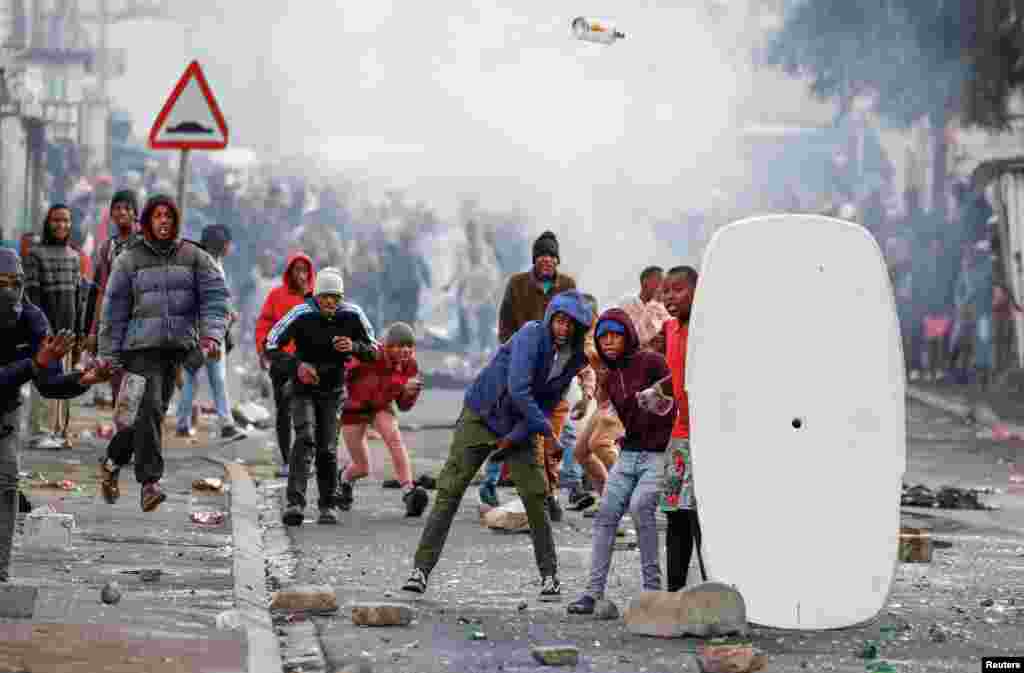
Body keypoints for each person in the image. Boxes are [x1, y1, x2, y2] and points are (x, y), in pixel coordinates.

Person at [402, 290, 594, 601]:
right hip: (482, 413)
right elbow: (518, 389)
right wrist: (550, 434)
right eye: (559, 320)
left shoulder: (575, 359)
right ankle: (420, 571)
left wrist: (516, 437)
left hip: (521, 425)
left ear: (579, 328)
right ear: (550, 319)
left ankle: (550, 576)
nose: (563, 328)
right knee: (450, 491)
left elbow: (545, 403)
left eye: (571, 324)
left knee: (535, 496)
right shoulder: (531, 336)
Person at [96, 195, 230, 512]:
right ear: (148, 221)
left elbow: (216, 299)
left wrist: (211, 336)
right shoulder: (129, 259)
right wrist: (108, 355)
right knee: (151, 409)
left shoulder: (194, 256)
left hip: (175, 350)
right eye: (157, 215)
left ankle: (112, 462)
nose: (164, 221)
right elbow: (113, 309)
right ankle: (150, 483)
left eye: (168, 215)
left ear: (176, 220)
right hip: (139, 349)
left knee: (145, 417)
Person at [0, 248, 112, 583]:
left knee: (6, 486)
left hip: (5, 414)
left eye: (13, 283)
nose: (6, 291)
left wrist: (83, 380)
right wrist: (34, 364)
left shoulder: (33, 320)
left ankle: (1, 572)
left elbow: (48, 385)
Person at [567, 307, 676, 614]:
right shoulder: (611, 377)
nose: (609, 342)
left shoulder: (652, 362)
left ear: (627, 335)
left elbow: (673, 397)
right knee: (605, 515)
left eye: (615, 335)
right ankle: (592, 594)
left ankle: (653, 593)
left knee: (642, 507)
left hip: (656, 455)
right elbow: (618, 412)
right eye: (603, 338)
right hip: (628, 455)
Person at [481, 231, 588, 521]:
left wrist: (577, 372)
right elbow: (505, 322)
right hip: (520, 363)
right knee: (505, 421)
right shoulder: (517, 285)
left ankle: (551, 493)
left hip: (555, 371)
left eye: (551, 257)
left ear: (557, 260)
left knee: (552, 429)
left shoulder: (567, 286)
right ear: (534, 260)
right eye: (542, 256)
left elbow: (577, 324)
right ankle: (489, 483)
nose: (547, 262)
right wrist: (510, 353)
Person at [265, 267, 377, 527]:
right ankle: (295, 503)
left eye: (335, 298)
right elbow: (271, 344)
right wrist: (297, 367)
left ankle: (328, 504)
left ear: (341, 298)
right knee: (305, 438)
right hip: (302, 388)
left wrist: (355, 347)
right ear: (316, 296)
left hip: (333, 390)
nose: (330, 302)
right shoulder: (301, 313)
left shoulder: (352, 315)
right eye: (325, 296)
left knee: (327, 447)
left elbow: (374, 349)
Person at [336, 321, 428, 517]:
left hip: (380, 406)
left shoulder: (410, 364)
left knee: (394, 438)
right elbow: (346, 371)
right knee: (362, 468)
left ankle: (409, 492)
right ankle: (344, 478)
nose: (406, 350)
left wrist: (410, 393)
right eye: (400, 345)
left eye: (409, 346)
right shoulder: (372, 353)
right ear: (388, 345)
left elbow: (403, 405)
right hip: (354, 409)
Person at [656, 266, 706, 592]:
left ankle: (715, 589)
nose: (670, 297)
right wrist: (655, 393)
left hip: (708, 437)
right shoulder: (670, 329)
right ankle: (674, 592)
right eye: (666, 291)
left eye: (678, 290)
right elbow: (676, 378)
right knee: (676, 515)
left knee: (702, 519)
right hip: (679, 435)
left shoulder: (708, 328)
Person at [23, 204, 87, 450]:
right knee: (43, 383)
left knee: (64, 383)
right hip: (45, 334)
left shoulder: (73, 256)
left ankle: (59, 431)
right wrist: (41, 330)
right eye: (56, 220)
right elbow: (32, 296)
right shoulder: (35, 255)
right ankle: (39, 433)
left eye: (66, 221)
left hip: (67, 332)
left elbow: (78, 297)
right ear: (48, 224)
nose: (61, 225)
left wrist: (79, 333)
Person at [175, 224, 243, 440]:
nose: (230, 247)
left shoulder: (209, 263)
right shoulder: (206, 265)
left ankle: (184, 424)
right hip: (208, 331)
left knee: (193, 377)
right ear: (221, 244)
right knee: (214, 379)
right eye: (227, 243)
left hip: (203, 330)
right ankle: (225, 424)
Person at [255, 252, 315, 477]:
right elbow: (264, 324)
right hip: (280, 362)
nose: (301, 274)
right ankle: (287, 460)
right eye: (296, 270)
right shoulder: (276, 296)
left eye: (304, 270)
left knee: (307, 411)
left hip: (307, 363)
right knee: (283, 410)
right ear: (289, 273)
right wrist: (262, 349)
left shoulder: (314, 298)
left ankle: (306, 459)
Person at [88, 189, 139, 408]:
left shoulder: (145, 244)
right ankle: (124, 431)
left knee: (138, 375)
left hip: (140, 318)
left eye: (127, 208)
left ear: (136, 214)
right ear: (111, 214)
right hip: (115, 320)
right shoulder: (107, 248)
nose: (121, 213)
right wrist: (93, 330)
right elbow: (101, 290)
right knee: (116, 375)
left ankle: (138, 429)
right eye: (117, 208)